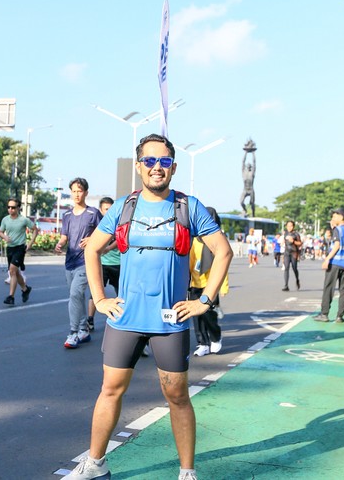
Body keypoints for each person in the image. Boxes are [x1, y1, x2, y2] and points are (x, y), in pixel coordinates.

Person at [67, 134, 232, 480]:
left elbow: (223, 251)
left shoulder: (188, 207)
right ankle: (95, 464)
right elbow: (92, 249)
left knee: (177, 396)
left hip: (169, 322)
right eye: (150, 161)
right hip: (125, 319)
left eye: (164, 161)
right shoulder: (124, 207)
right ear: (139, 166)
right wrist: (100, 299)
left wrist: (204, 301)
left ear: (173, 167)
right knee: (110, 390)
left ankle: (187, 471)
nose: (157, 167)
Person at [55, 177, 102, 349]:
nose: (76, 194)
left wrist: (91, 239)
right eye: (73, 191)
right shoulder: (67, 215)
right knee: (77, 297)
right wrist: (60, 244)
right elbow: (65, 236)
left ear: (86, 193)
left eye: (79, 191)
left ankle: (73, 332)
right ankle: (84, 330)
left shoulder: (93, 213)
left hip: (86, 261)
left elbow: (105, 233)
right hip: (70, 261)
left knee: (75, 294)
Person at [189, 207, 229, 357]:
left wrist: (223, 287)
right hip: (195, 284)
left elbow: (223, 264)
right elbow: (190, 262)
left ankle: (215, 338)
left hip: (211, 285)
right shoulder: (194, 240)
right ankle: (202, 343)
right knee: (196, 317)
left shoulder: (218, 240)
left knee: (209, 315)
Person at [313, 208, 344, 323]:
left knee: (328, 288)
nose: (332, 218)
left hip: (335, 263)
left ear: (341, 217)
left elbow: (337, 245)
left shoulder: (338, 230)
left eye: (334, 216)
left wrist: (327, 259)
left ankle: (324, 314)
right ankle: (340, 316)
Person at [87, 196, 121, 331]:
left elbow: (120, 239)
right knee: (95, 293)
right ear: (101, 210)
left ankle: (122, 320)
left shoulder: (120, 223)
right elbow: (92, 245)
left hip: (118, 263)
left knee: (122, 295)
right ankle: (90, 319)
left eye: (110, 209)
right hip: (103, 263)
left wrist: (108, 248)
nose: (108, 212)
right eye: (106, 209)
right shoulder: (99, 227)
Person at [0, 198, 38, 305]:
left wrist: (30, 243)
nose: (10, 209)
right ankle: (25, 289)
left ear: (18, 208)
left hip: (20, 248)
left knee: (12, 270)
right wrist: (5, 237)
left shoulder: (23, 220)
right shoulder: (5, 219)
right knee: (15, 272)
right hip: (10, 248)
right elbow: (0, 232)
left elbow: (35, 230)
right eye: (8, 207)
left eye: (13, 207)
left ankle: (11, 297)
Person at [282, 220, 302, 291]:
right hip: (287, 253)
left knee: (294, 268)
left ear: (293, 226)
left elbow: (300, 243)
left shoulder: (296, 234)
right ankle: (286, 285)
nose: (289, 227)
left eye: (291, 226)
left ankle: (297, 280)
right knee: (286, 268)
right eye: (288, 226)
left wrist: (293, 241)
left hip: (294, 253)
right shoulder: (285, 233)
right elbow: (285, 243)